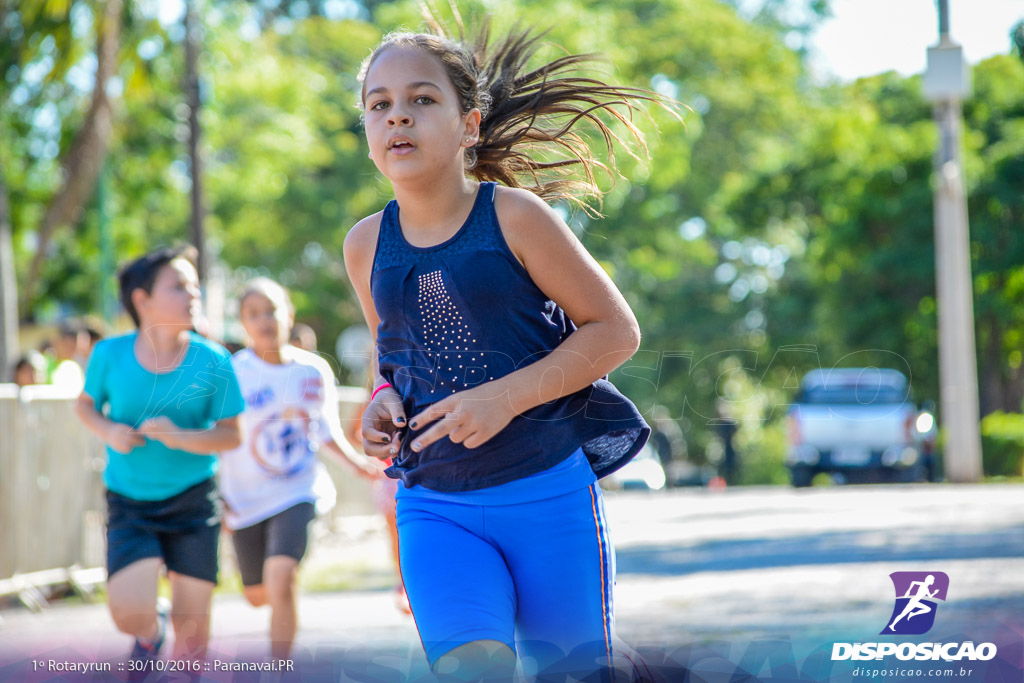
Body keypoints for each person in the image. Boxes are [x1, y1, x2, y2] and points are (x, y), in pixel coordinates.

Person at [343, 20, 664, 682]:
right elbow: (391, 352)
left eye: (423, 99)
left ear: (470, 125)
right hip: (434, 504)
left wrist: (504, 397)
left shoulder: (516, 218)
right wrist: (381, 398)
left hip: (547, 492)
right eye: (380, 104)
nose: (398, 114)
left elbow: (614, 329)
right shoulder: (364, 244)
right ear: (370, 135)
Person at [74, 245, 244, 666]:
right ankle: (151, 633)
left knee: (195, 630)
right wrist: (110, 430)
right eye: (178, 286)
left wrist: (178, 436)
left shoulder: (214, 359)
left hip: (192, 500)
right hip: (130, 500)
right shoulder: (109, 354)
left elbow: (231, 436)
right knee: (130, 615)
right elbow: (84, 406)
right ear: (142, 299)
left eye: (194, 285)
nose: (192, 294)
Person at [219, 277, 379, 659]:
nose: (264, 321)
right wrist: (215, 497)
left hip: (298, 490)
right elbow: (216, 437)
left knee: (282, 577)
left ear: (288, 315)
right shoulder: (231, 373)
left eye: (271, 310)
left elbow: (325, 430)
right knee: (258, 595)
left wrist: (357, 463)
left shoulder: (313, 370)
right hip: (244, 499)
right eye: (253, 314)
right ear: (243, 323)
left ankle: (279, 667)